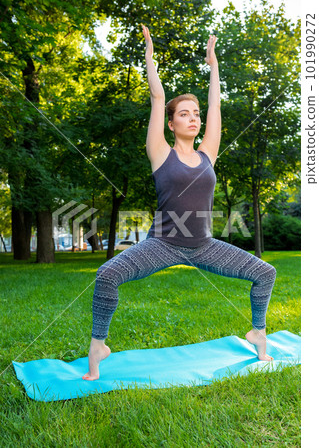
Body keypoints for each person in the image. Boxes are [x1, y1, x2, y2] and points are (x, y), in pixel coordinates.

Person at [82, 25, 276, 381]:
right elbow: (158, 98)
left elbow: (216, 104)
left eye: (195, 113)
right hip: (164, 245)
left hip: (203, 246)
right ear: (171, 123)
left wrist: (214, 65)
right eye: (184, 113)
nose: (193, 117)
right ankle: (98, 344)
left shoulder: (207, 155)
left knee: (265, 272)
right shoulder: (160, 154)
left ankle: (258, 332)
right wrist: (149, 58)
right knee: (107, 274)